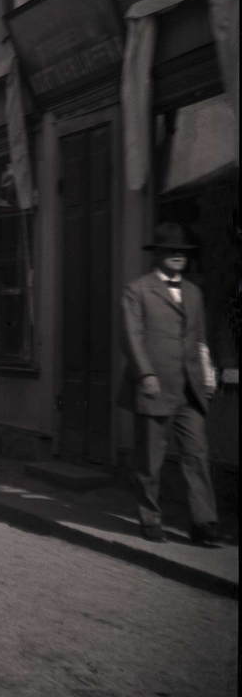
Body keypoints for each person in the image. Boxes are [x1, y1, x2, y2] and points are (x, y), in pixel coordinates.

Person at [120, 223, 220, 547]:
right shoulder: (137, 290)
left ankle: (204, 524)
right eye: (170, 250)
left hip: (190, 391)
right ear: (157, 254)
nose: (178, 255)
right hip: (155, 387)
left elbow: (200, 339)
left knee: (196, 455)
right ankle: (150, 518)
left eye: (183, 251)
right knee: (150, 460)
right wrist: (145, 374)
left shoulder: (193, 292)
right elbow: (131, 338)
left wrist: (207, 375)